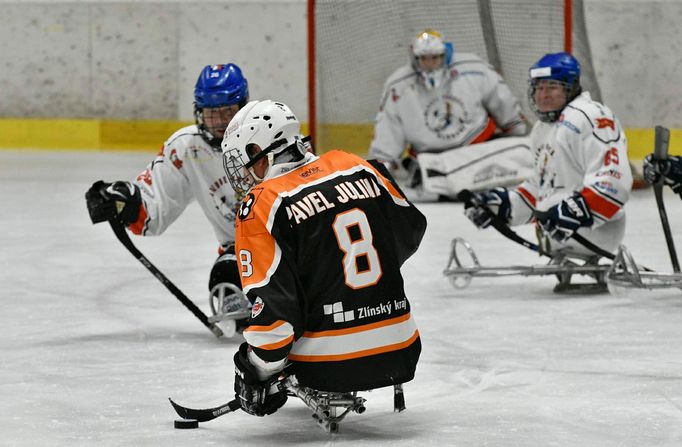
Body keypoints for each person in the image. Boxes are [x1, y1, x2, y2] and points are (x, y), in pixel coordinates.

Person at [221, 100, 426, 416]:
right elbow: (411, 229)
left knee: (257, 353)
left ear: (257, 151)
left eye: (244, 159)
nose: (245, 172)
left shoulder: (262, 202)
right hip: (402, 348)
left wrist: (256, 372)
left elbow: (274, 325)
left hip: (330, 366)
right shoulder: (356, 164)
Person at [85, 63, 251, 329]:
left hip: (292, 244)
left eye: (227, 112)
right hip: (242, 253)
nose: (220, 122)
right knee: (227, 277)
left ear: (242, 107)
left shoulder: (268, 134)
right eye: (211, 113)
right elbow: (153, 212)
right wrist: (124, 201)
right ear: (199, 112)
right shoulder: (186, 148)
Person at [464, 52, 632, 262]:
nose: (543, 95)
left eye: (552, 87)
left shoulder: (591, 115)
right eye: (539, 88)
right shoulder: (542, 130)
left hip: (597, 228)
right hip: (561, 233)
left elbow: (614, 177)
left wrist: (579, 210)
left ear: (570, 87)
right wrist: (502, 206)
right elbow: (543, 188)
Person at [368, 29, 530, 198]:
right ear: (414, 58)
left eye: (435, 57)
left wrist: (517, 133)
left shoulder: (474, 69)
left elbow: (506, 108)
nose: (430, 63)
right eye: (424, 58)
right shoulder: (398, 86)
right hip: (433, 162)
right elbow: (387, 133)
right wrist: (379, 170)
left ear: (445, 54)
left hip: (478, 153)